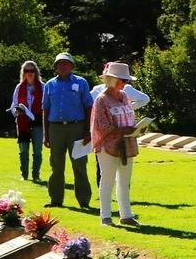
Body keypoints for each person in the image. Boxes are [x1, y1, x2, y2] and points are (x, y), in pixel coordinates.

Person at [90, 61, 141, 227]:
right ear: (111, 79)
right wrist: (123, 130)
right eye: (122, 80)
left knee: (125, 181)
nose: (124, 84)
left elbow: (129, 117)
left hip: (126, 143)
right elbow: (102, 125)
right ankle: (105, 216)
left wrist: (136, 128)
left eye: (126, 80)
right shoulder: (101, 100)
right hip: (107, 146)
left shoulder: (125, 96)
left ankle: (126, 215)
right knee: (107, 180)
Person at [42, 54, 94, 210]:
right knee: (56, 165)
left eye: (66, 63)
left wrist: (87, 130)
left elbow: (89, 107)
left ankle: (84, 201)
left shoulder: (81, 82)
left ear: (72, 66)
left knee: (79, 164)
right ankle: (56, 199)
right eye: (59, 64)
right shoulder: (49, 85)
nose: (63, 66)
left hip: (76, 127)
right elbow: (45, 109)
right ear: (55, 67)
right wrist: (46, 134)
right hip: (55, 128)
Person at [10, 60, 45, 183]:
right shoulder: (19, 87)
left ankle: (36, 174)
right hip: (22, 122)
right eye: (26, 71)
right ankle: (24, 175)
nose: (29, 73)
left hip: (38, 121)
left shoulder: (43, 87)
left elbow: (46, 106)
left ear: (36, 72)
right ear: (23, 73)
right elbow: (13, 106)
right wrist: (17, 112)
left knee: (37, 150)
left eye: (32, 70)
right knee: (23, 150)